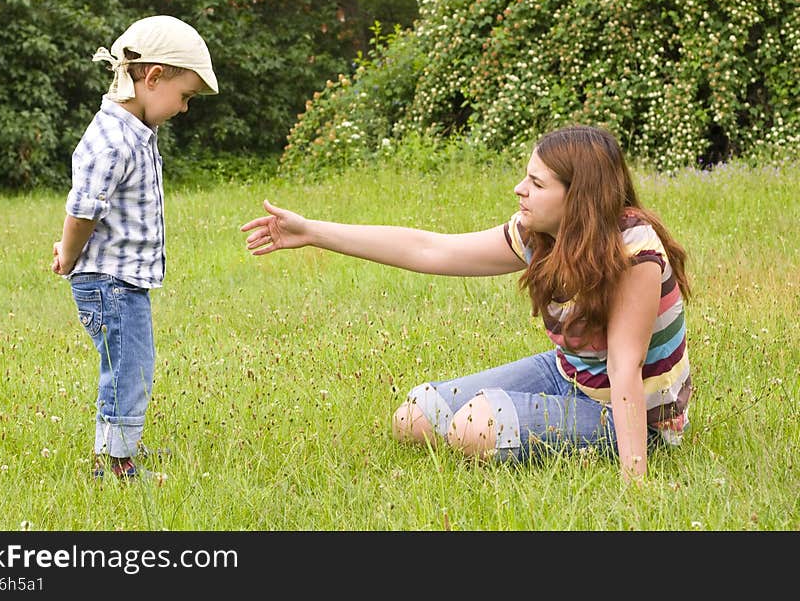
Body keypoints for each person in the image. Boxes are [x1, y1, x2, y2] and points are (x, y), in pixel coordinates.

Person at [241, 125, 692, 483]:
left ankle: (633, 446)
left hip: (637, 415)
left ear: (578, 198)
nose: (520, 189)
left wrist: (636, 481)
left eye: (536, 183)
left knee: (475, 426)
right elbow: (429, 249)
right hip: (569, 373)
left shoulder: (633, 252)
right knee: (416, 417)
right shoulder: (540, 235)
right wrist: (313, 232)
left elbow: (625, 368)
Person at [51, 15, 219, 479]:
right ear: (153, 77)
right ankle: (116, 465)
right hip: (111, 281)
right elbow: (84, 209)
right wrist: (68, 253)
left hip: (123, 279)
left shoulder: (133, 132)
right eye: (184, 96)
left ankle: (122, 448)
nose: (184, 108)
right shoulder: (112, 140)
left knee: (131, 366)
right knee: (128, 370)